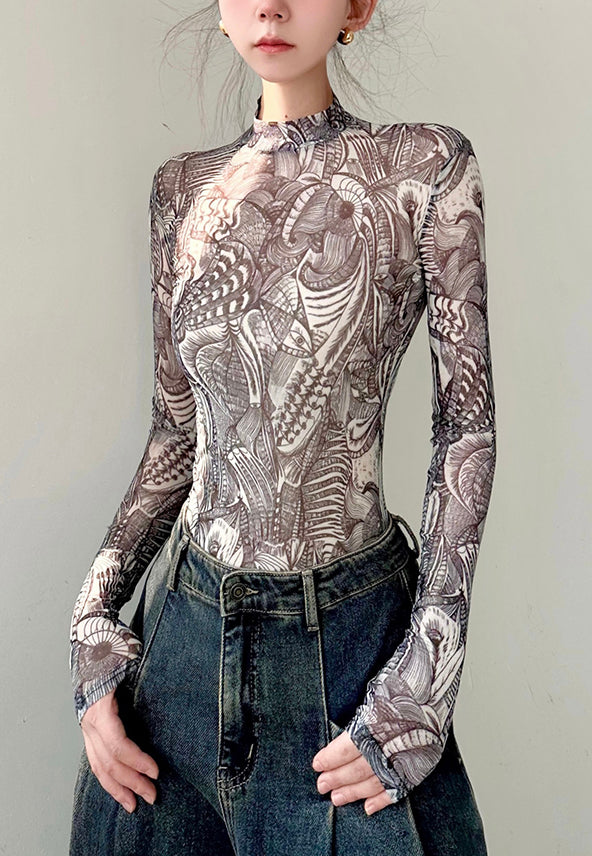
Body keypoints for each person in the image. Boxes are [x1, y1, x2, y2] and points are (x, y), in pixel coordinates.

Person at [68, 0, 497, 853]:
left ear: (357, 7)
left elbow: (466, 428)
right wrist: (90, 625)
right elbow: (175, 434)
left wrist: (425, 679)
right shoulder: (181, 189)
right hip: (178, 655)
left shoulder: (424, 168)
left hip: (350, 657)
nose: (271, 5)